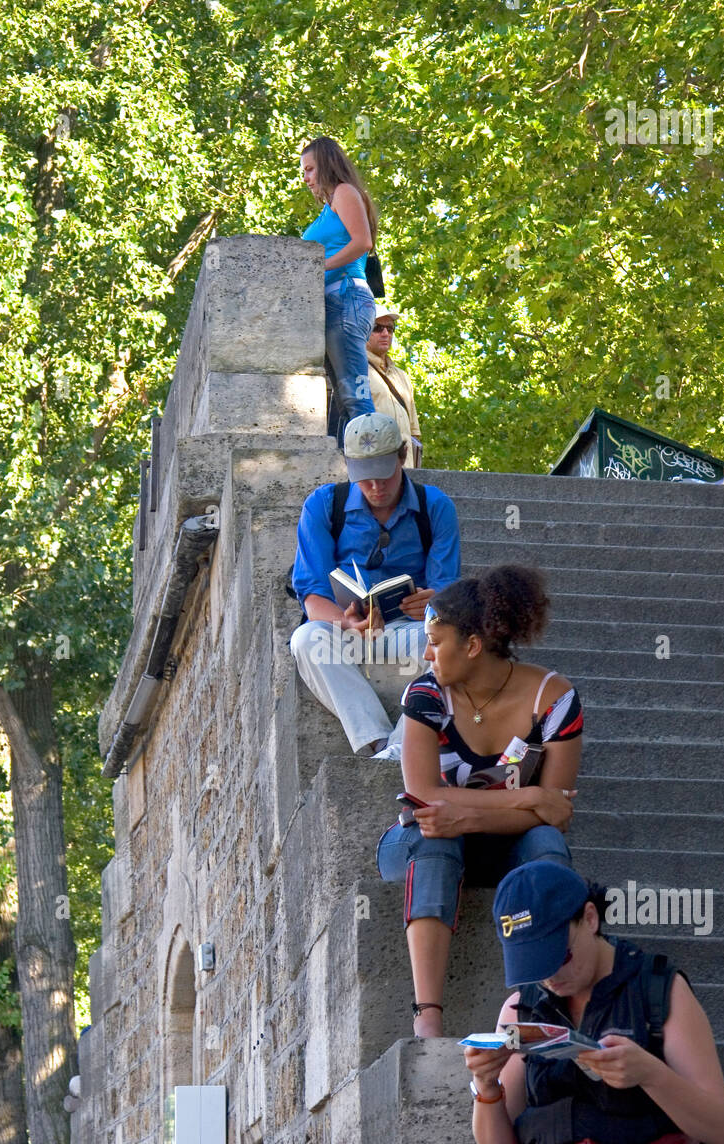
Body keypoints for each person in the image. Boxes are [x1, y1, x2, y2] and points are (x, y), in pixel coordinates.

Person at [366, 860, 724, 1144]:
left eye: (557, 956)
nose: (550, 977)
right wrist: (486, 1089)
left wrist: (649, 1073)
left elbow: (722, 1128)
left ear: (590, 919)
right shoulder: (523, 1007)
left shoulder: (659, 991)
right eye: (533, 963)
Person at [376, 568, 581, 1036]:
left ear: (471, 646)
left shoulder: (554, 698)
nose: (426, 654)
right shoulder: (426, 695)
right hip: (417, 842)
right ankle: (427, 1018)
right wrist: (527, 796)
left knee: (546, 843)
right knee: (436, 841)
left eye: (435, 641)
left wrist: (467, 813)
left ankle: (543, 1002)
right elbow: (425, 798)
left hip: (503, 848)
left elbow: (558, 813)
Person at [290, 413, 461, 756]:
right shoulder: (324, 505)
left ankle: (400, 746)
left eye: (384, 475)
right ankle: (379, 743)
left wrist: (432, 603)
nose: (375, 487)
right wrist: (346, 621)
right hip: (346, 632)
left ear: (402, 458)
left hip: (408, 631)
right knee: (305, 639)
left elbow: (448, 594)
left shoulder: (436, 507)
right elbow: (312, 595)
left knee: (456, 644)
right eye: (364, 478)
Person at [300, 136, 378, 438]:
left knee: (354, 395)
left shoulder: (345, 192)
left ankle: (376, 465)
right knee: (342, 399)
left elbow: (362, 243)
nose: (305, 178)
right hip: (334, 305)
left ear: (327, 165)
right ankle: (353, 469)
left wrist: (315, 267)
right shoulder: (329, 206)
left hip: (347, 299)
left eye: (309, 170)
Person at [366, 307, 422, 467]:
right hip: (375, 467)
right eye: (377, 328)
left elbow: (414, 433)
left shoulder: (402, 377)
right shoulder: (357, 371)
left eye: (390, 329)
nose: (385, 333)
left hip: (406, 469)